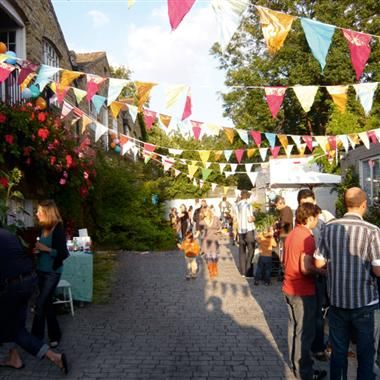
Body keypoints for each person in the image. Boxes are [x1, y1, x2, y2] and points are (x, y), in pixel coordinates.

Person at [314, 187, 380, 380]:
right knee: (366, 354)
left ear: (344, 203)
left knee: (338, 352)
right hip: (364, 302)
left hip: (337, 301)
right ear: (364, 204)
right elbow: (378, 270)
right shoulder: (372, 231)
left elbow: (318, 262)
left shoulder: (328, 228)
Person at [0, 227, 68, 374]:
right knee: (16, 323)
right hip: (28, 281)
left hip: (13, 286)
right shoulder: (8, 235)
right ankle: (14, 357)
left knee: (13, 328)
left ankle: (54, 356)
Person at [282, 203, 326, 380]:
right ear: (309, 218)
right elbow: (306, 267)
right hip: (303, 290)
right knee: (305, 334)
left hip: (289, 286)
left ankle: (295, 366)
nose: (317, 221)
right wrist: (323, 272)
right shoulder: (307, 237)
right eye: (316, 218)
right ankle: (304, 373)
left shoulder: (292, 233)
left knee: (293, 330)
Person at [297, 189, 334, 361]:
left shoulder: (324, 219)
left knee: (320, 312)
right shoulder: (301, 226)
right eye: (305, 204)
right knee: (312, 314)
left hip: (323, 272)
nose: (308, 207)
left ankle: (317, 345)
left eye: (310, 203)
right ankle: (314, 348)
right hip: (311, 274)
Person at [31, 200, 69, 349]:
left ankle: (35, 339)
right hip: (41, 270)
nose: (36, 213)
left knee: (40, 303)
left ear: (47, 213)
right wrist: (37, 251)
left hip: (52, 273)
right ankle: (55, 335)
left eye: (39, 211)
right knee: (46, 304)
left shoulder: (57, 228)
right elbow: (42, 248)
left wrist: (45, 249)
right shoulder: (43, 228)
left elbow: (63, 254)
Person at [236, 190, 256, 277]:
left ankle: (242, 272)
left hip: (240, 230)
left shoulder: (237, 205)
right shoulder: (248, 204)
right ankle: (248, 271)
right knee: (251, 250)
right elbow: (250, 218)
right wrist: (254, 218)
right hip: (248, 229)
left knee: (242, 251)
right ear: (247, 196)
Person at [199, 207, 222, 279]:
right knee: (208, 256)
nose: (203, 213)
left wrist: (219, 231)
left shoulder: (216, 218)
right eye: (203, 212)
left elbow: (220, 227)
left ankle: (215, 269)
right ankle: (211, 271)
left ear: (208, 211)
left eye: (205, 211)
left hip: (214, 240)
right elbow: (199, 231)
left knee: (214, 256)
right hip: (206, 241)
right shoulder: (201, 222)